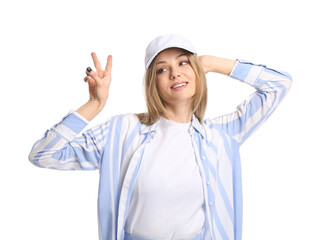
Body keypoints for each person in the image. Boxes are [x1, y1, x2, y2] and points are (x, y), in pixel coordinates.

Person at [29, 34, 292, 240]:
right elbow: (43, 155)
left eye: (183, 62)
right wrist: (94, 105)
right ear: (152, 84)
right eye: (162, 69)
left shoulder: (222, 135)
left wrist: (210, 62)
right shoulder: (122, 130)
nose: (175, 73)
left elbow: (278, 84)